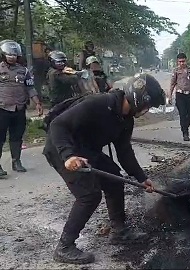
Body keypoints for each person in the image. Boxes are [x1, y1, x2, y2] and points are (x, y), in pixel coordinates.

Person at [42, 73, 166, 264]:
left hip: (87, 150)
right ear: (139, 99)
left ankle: (119, 230)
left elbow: (124, 152)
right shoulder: (98, 104)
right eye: (148, 105)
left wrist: (142, 178)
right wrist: (68, 155)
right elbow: (58, 125)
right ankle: (64, 247)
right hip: (62, 148)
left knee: (115, 179)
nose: (147, 110)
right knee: (89, 195)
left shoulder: (126, 120)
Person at [0, 40, 43, 177]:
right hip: (2, 108)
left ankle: (16, 161)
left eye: (14, 55)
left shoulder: (23, 70)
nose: (12, 57)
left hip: (19, 108)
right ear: (3, 54)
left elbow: (30, 88)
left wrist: (37, 103)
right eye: (9, 54)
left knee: (17, 137)